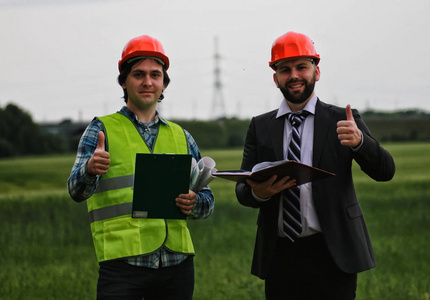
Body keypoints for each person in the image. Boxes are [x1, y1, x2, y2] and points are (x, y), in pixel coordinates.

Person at [235, 31, 395, 299]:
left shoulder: (342, 120)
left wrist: (359, 142)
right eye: (285, 69)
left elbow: (385, 171)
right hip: (280, 255)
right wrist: (257, 193)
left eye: (302, 67)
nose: (294, 75)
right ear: (276, 79)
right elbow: (243, 189)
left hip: (333, 252)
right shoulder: (260, 126)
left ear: (316, 72)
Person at [68, 35, 214, 300]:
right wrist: (89, 170)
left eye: (155, 75)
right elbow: (75, 191)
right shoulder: (101, 129)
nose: (148, 82)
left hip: (176, 266)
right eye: (139, 74)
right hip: (122, 268)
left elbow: (208, 200)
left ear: (163, 84)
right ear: (124, 81)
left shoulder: (183, 136)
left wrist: (194, 203)